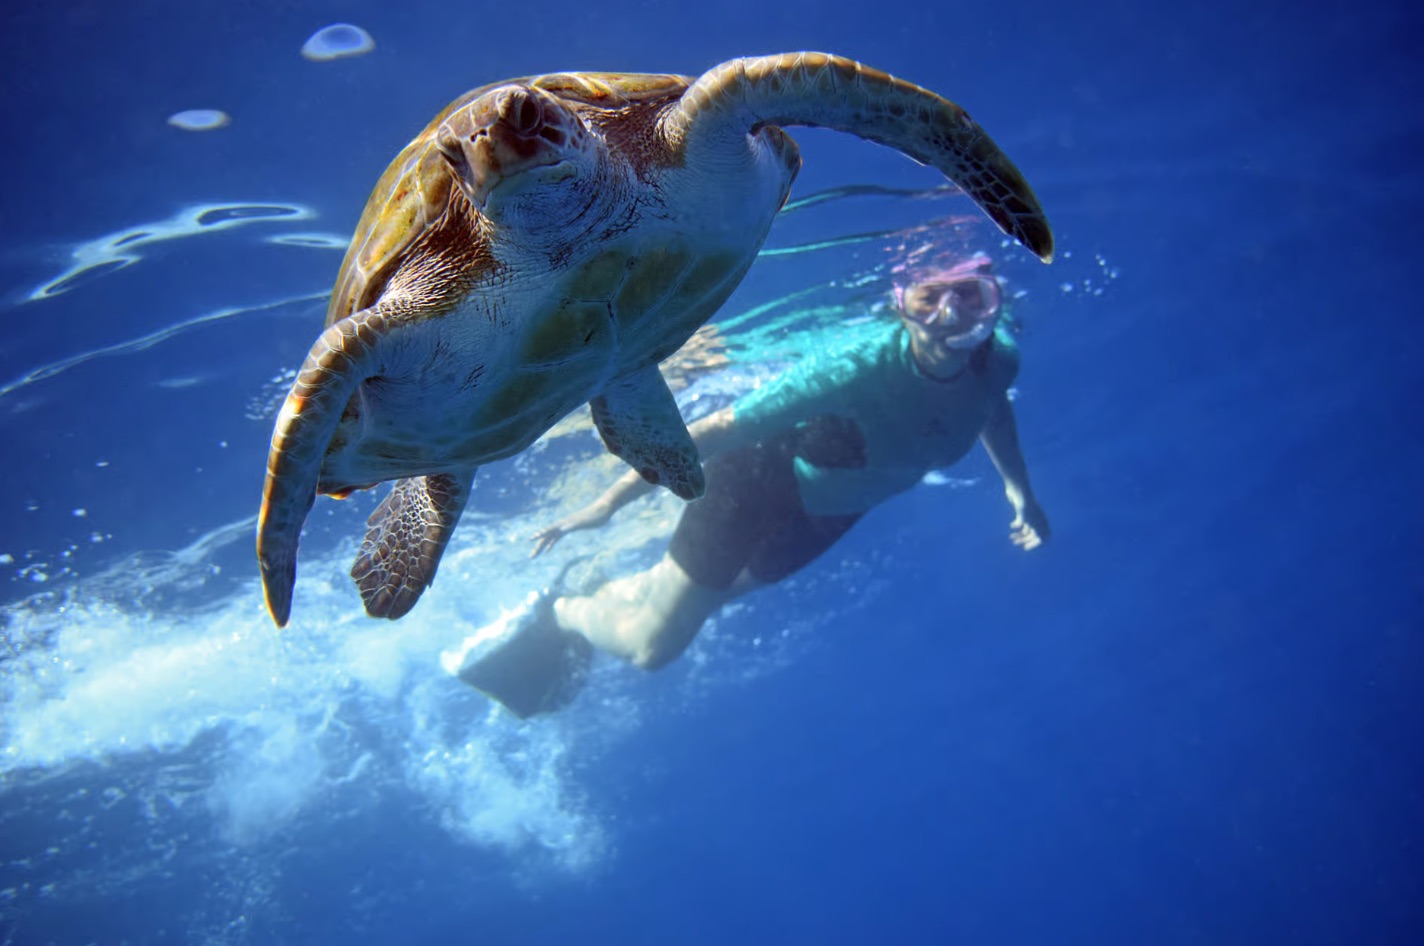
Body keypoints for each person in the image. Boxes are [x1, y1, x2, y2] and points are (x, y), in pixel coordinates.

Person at [442, 253, 1051, 718]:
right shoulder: (856, 368)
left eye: (969, 297)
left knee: (700, 597)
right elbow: (713, 432)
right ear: (901, 305)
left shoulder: (999, 360)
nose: (948, 317)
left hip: (832, 514)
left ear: (993, 303)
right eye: (928, 299)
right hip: (759, 480)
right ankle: (566, 611)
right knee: (656, 648)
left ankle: (601, 588)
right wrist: (606, 503)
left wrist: (1018, 490)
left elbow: (989, 407)